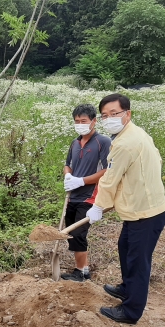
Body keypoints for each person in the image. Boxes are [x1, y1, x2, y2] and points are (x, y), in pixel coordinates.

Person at [87, 93, 165, 324]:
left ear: (127, 114)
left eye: (115, 114)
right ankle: (127, 287)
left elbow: (110, 179)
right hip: (140, 207)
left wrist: (98, 207)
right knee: (125, 247)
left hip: (146, 213)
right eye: (104, 115)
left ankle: (131, 311)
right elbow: (156, 161)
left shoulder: (124, 143)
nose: (109, 118)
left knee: (137, 261)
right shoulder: (136, 132)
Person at [61, 104, 111, 282]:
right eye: (77, 121)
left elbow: (107, 170)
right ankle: (84, 269)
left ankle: (80, 273)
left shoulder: (103, 142)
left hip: (90, 196)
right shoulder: (75, 143)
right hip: (72, 195)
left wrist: (82, 180)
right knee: (71, 234)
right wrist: (68, 175)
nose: (80, 124)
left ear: (94, 121)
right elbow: (68, 163)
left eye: (84, 121)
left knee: (79, 233)